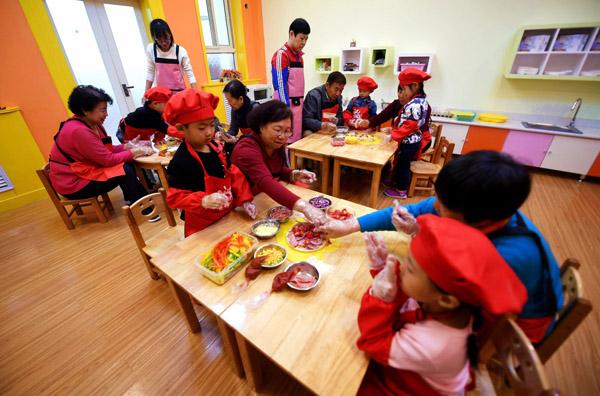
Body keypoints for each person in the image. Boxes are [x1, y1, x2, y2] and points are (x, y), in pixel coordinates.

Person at [319, 150, 564, 343]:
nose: (434, 206)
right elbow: (410, 211)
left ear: (476, 220)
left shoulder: (509, 256)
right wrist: (350, 225)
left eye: (442, 206)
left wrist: (414, 242)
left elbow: (445, 302)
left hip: (513, 329)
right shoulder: (468, 204)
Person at [357, 215, 527, 395]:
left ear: (446, 300)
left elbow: (372, 343)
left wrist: (379, 298)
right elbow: (411, 296)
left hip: (410, 388)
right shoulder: (449, 304)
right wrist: (383, 269)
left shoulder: (434, 345)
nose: (401, 267)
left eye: (411, 268)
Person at [164, 89, 257, 237]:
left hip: (227, 216)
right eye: (202, 128)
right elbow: (174, 197)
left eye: (212, 125)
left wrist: (245, 201)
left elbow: (232, 173)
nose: (209, 132)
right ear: (182, 128)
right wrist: (203, 200)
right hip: (203, 227)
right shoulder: (181, 162)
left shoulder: (216, 147)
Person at [49, 85, 154, 214]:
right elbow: (108, 160)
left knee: (126, 165)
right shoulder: (78, 130)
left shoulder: (93, 124)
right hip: (73, 184)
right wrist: (134, 152)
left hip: (85, 172)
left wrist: (128, 146)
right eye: (102, 110)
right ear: (85, 110)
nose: (106, 114)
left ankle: (134, 200)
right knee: (125, 169)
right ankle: (145, 209)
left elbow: (103, 150)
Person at [231, 100, 327, 225]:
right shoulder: (246, 149)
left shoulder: (274, 144)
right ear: (261, 126)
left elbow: (277, 169)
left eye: (287, 131)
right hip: (242, 208)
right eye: (277, 130)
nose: (282, 136)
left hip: (262, 199)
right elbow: (266, 182)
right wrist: (306, 208)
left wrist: (294, 174)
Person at [271, 18, 310, 143]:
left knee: (296, 143)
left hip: (297, 109)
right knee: (284, 143)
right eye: (301, 38)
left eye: (306, 39)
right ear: (292, 34)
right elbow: (280, 86)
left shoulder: (299, 58)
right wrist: (286, 112)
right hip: (285, 109)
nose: (304, 42)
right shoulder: (282, 55)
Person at [145, 19, 197, 92]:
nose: (164, 43)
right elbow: (150, 72)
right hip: (162, 94)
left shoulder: (180, 51)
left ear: (170, 34)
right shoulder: (151, 49)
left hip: (179, 93)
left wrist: (196, 93)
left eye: (166, 38)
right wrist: (146, 94)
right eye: (159, 39)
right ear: (154, 38)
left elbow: (189, 73)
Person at [302, 71, 346, 136]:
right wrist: (322, 125)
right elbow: (306, 120)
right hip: (313, 129)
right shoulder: (314, 96)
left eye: (341, 90)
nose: (338, 93)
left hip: (329, 129)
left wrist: (337, 120)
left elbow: (340, 117)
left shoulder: (339, 98)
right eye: (336, 89)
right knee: (308, 134)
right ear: (327, 85)